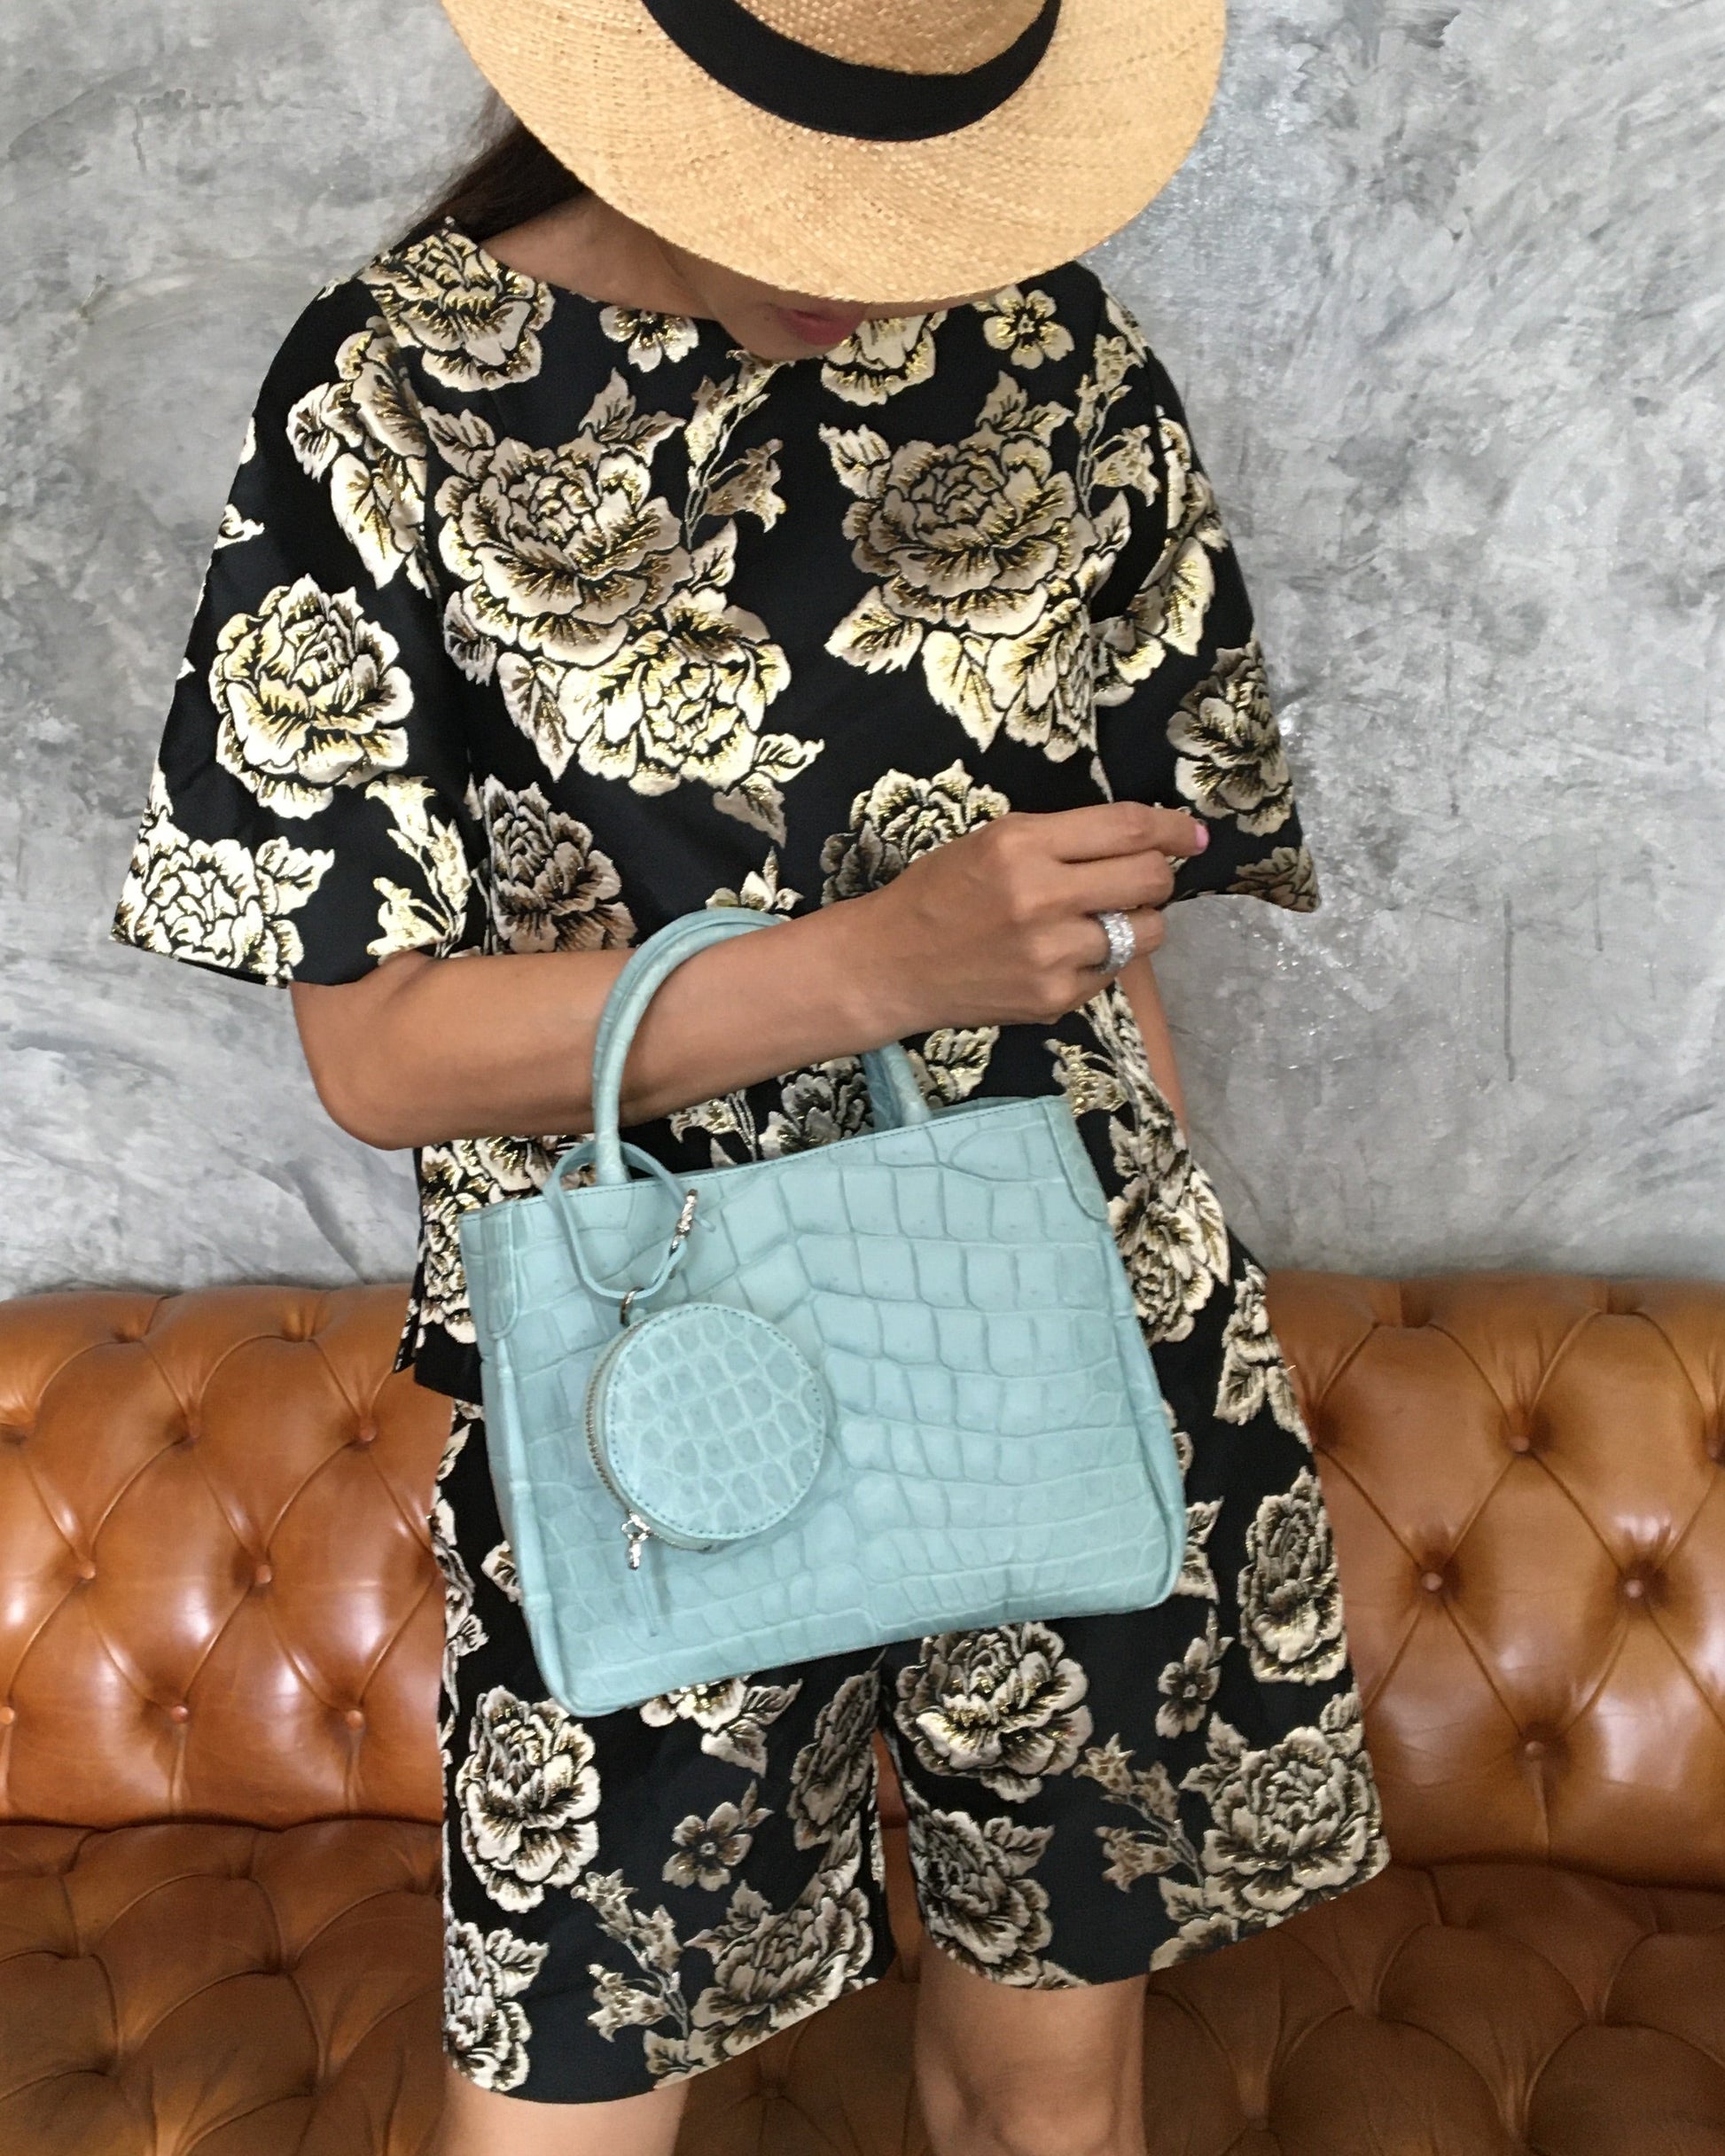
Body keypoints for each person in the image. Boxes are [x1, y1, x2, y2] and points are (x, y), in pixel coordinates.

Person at [111, 2, 1387, 2149]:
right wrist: (871, 966)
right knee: (571, 2097)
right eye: (799, 183)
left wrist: (1159, 1289)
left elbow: (1108, 932)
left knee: (1050, 2103)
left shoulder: (1058, 358)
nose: (856, 267)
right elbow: (376, 1046)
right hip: (646, 1385)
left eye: (912, 194)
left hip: (1057, 1324)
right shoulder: (389, 390)